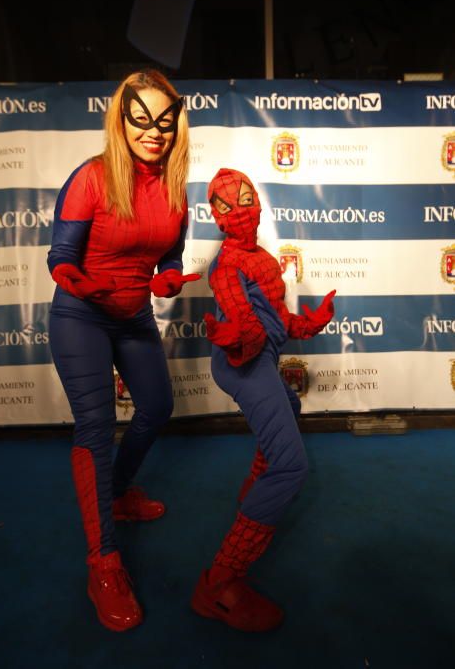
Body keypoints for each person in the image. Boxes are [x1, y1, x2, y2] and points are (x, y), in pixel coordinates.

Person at [47, 69, 200, 632]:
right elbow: (59, 256)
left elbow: (169, 258)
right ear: (122, 119)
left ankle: (115, 492)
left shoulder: (176, 186)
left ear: (176, 123)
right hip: (80, 315)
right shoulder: (91, 177)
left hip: (133, 316)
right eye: (143, 119)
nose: (154, 132)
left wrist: (169, 279)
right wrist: (76, 279)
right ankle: (102, 565)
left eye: (165, 120)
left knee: (157, 409)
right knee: (95, 426)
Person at [190, 168, 335, 632]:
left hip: (259, 357)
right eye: (226, 205)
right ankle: (218, 584)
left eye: (245, 198)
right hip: (241, 362)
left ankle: (254, 492)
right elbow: (245, 325)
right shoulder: (227, 266)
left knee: (288, 411)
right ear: (217, 217)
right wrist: (238, 339)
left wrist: (309, 324)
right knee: (292, 467)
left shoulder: (265, 260)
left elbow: (276, 321)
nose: (239, 211)